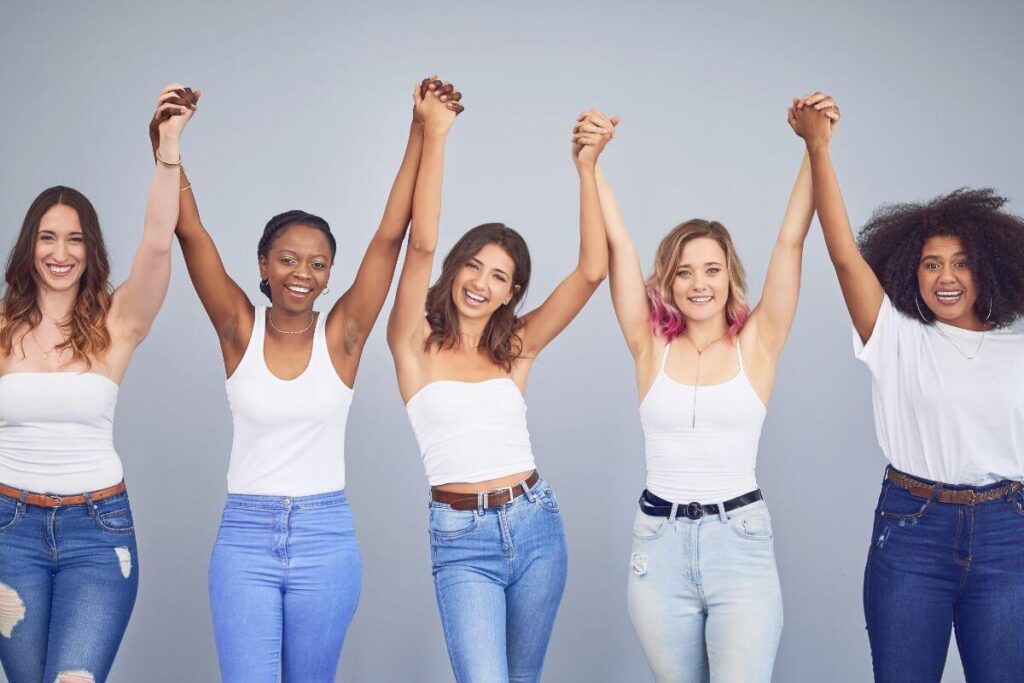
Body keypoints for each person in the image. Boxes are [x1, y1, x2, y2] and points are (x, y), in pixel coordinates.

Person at [160, 77, 463, 682]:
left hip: (326, 537)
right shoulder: (237, 330)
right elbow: (190, 234)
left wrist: (420, 130)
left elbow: (390, 236)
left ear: (329, 276)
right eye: (288, 259)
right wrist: (169, 152)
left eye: (318, 263)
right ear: (264, 267)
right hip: (245, 537)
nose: (303, 272)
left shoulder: (343, 335)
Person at [592, 95, 837, 682]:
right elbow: (619, 247)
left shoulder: (759, 344)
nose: (697, 283)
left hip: (740, 544)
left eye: (711, 269)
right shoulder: (648, 345)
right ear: (668, 281)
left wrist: (815, 147)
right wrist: (591, 165)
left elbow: (790, 243)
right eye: (683, 270)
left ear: (730, 277)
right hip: (658, 546)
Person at [793, 95, 1024, 683]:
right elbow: (845, 257)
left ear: (989, 268)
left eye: (961, 263)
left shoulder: (1017, 351)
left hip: (1009, 533)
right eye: (930, 264)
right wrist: (819, 148)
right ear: (908, 272)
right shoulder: (895, 337)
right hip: (913, 530)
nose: (946, 277)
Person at [386, 89, 611, 682]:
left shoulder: (516, 349)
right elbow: (421, 243)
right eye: (474, 266)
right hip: (461, 540)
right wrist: (436, 135)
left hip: (536, 524)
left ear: (512, 292)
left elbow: (592, 270)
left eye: (500, 276)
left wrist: (587, 169)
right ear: (457, 268)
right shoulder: (413, 345)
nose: (481, 283)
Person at [0, 83, 195, 683]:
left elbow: (159, 244)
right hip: (8, 534)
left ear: (91, 249)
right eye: (48, 237)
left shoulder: (117, 321)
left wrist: (167, 149)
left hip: (98, 533)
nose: (61, 253)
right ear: (30, 245)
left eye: (76, 238)